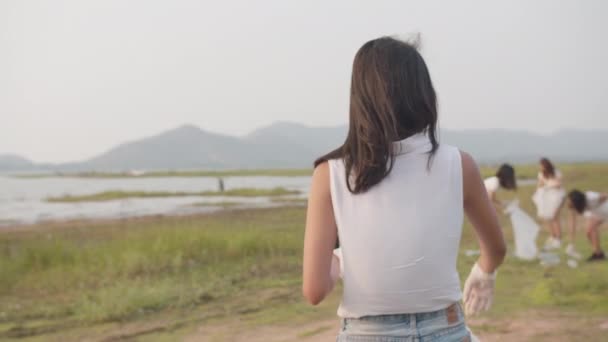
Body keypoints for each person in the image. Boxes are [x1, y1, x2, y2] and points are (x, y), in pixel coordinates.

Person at [302, 37, 506, 341]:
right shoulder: (459, 164)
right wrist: (484, 272)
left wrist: (343, 259)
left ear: (360, 99)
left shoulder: (330, 173)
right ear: (423, 94)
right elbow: (496, 248)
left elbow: (314, 290)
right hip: (445, 327)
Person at [532, 158, 567, 251]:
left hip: (557, 196)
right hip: (547, 197)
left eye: (542, 165)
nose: (540, 167)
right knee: (547, 217)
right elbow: (539, 184)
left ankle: (559, 238)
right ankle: (553, 236)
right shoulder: (541, 174)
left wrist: (548, 185)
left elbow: (559, 184)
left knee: (554, 217)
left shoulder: (556, 172)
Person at [567, 190, 607, 261]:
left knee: (590, 229)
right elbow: (573, 223)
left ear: (576, 200)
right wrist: (571, 242)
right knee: (589, 231)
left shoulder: (590, 197)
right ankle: (598, 254)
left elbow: (605, 195)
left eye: (570, 200)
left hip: (605, 210)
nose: (568, 202)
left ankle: (598, 254)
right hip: (598, 214)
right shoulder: (574, 206)